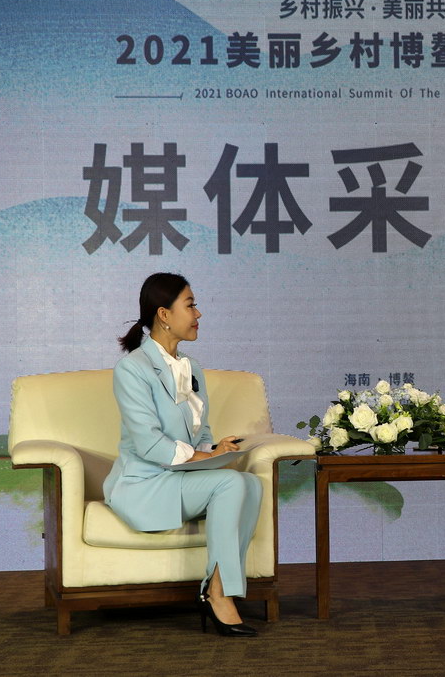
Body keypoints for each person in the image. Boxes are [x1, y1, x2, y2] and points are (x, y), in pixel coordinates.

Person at [103, 272, 262, 637]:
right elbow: (149, 443)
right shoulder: (132, 369)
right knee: (229, 483)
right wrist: (204, 460)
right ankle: (217, 595)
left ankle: (218, 586)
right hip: (143, 485)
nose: (198, 314)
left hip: (177, 478)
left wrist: (215, 449)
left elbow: (199, 433)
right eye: (190, 305)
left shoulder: (192, 368)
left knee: (252, 485)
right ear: (164, 314)